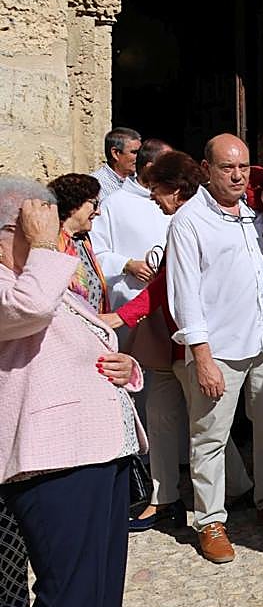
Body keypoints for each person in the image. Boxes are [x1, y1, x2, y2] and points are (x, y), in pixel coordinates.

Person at [0, 178, 146, 607]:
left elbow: (93, 339)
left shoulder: (42, 275)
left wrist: (129, 369)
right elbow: (30, 310)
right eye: (33, 225)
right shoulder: (23, 282)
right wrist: (43, 247)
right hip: (54, 459)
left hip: (102, 449)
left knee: (99, 595)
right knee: (69, 598)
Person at [166, 134, 263, 564]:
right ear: (207, 170)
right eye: (227, 167)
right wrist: (201, 358)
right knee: (209, 437)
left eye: (243, 166)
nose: (238, 175)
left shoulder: (255, 215)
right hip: (220, 348)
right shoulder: (189, 221)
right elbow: (184, 295)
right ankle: (210, 521)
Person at [100, 152, 254, 531]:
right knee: (167, 419)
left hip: (185, 342)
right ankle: (165, 497)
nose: (153, 198)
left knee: (204, 426)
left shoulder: (192, 220)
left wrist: (123, 316)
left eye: (157, 190)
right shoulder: (184, 218)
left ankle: (220, 494)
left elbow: (165, 284)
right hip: (166, 343)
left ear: (176, 189)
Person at [90, 139, 173, 428]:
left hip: (169, 308)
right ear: (149, 168)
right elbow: (95, 254)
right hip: (130, 304)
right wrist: (127, 264)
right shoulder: (114, 204)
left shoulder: (178, 201)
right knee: (141, 382)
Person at [45, 173, 108, 313]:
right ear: (75, 204)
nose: (98, 212)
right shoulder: (51, 243)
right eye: (94, 204)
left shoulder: (82, 241)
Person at [91, 127, 142, 201]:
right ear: (115, 153)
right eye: (134, 152)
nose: (140, 157)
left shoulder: (143, 181)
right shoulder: (94, 185)